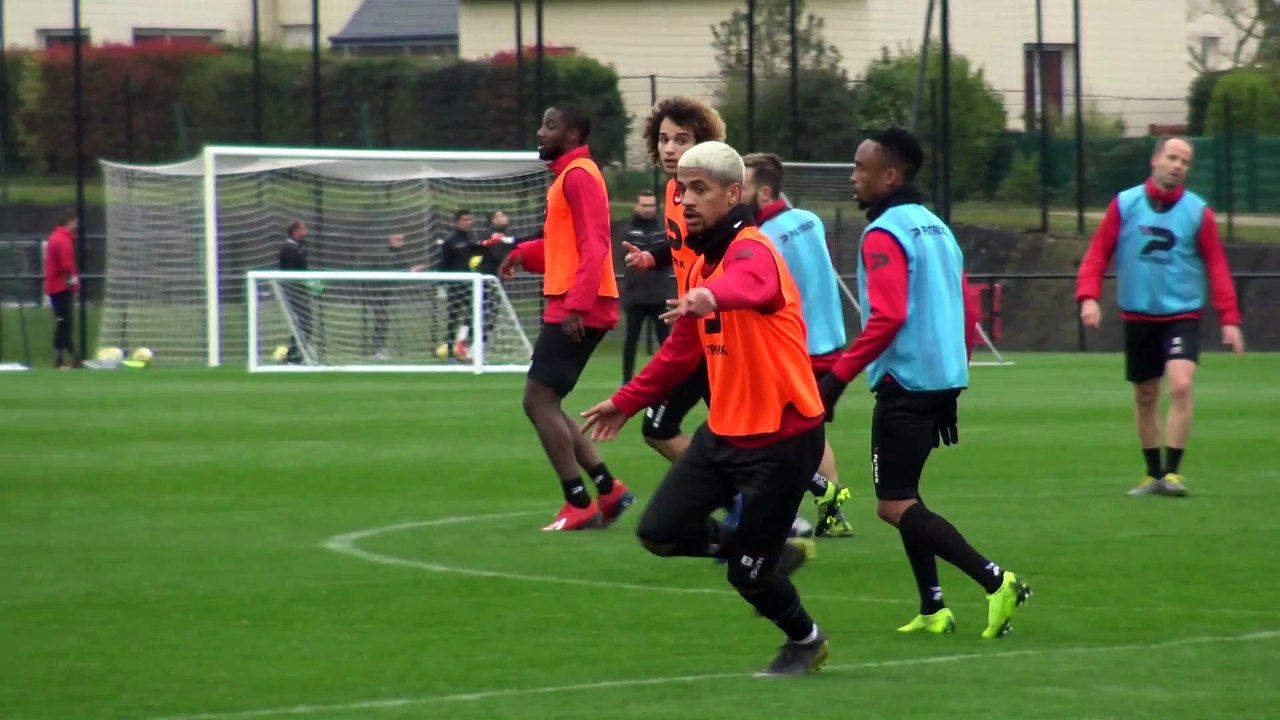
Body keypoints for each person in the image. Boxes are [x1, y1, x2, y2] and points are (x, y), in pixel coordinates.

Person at [581, 141, 829, 676]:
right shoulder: (700, 263)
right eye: (682, 190)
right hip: (726, 433)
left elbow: (753, 281)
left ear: (733, 193)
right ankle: (757, 547)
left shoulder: (753, 249)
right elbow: (680, 353)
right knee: (659, 533)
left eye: (700, 189)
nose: (685, 200)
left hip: (783, 439)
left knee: (749, 576)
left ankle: (806, 640)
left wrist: (713, 296)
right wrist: (625, 403)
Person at [818, 128, 1031, 639]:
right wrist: (952, 381)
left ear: (890, 176)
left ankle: (995, 580)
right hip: (939, 379)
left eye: (860, 168)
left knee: (892, 505)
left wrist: (835, 379)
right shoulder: (937, 228)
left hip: (905, 381)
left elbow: (886, 319)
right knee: (907, 495)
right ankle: (933, 606)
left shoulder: (883, 233)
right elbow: (969, 308)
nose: (853, 176)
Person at [1075, 136, 1244, 497]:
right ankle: (1152, 475)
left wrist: (1229, 317)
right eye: (1172, 157)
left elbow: (1216, 265)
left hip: (1182, 312)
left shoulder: (1199, 212)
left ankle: (1173, 473)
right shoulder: (1125, 204)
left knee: (1181, 383)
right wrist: (1089, 297)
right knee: (1146, 395)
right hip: (1138, 315)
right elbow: (1097, 253)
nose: (1178, 165)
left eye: (1185, 160)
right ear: (1155, 160)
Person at [498, 106, 634, 531]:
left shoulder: (578, 175)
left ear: (572, 134)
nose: (540, 132)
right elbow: (564, 246)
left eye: (550, 126)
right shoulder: (568, 175)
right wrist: (522, 253)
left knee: (537, 401)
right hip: (576, 301)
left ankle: (579, 503)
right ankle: (607, 489)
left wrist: (577, 304)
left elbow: (595, 244)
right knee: (546, 402)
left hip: (579, 306)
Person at [742, 152, 853, 538]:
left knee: (764, 436)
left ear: (766, 190)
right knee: (811, 433)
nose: (737, 191)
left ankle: (783, 514)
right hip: (831, 345)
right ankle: (833, 514)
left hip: (794, 348)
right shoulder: (811, 220)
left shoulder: (761, 239)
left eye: (745, 184)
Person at [620, 96, 726, 461]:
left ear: (703, 143)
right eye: (663, 139)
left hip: (718, 332)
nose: (669, 148)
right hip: (694, 328)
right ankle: (747, 506)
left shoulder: (716, 196)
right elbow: (680, 244)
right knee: (662, 429)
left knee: (753, 435)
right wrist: (652, 257)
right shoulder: (672, 190)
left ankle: (813, 501)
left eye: (681, 139)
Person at [620, 189, 672, 383]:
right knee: (631, 341)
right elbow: (621, 256)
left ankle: (670, 379)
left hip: (659, 294)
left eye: (651, 205)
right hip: (636, 296)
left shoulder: (663, 228)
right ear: (636, 206)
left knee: (666, 342)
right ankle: (626, 380)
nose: (649, 209)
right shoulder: (627, 229)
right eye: (644, 205)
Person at [429, 209, 483, 359]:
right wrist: (441, 285)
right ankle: (450, 348)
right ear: (457, 222)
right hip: (455, 286)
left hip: (471, 285)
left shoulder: (474, 239)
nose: (469, 222)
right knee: (453, 317)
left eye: (470, 219)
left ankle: (469, 348)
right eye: (465, 219)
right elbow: (443, 265)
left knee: (475, 315)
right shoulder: (450, 241)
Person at [44, 210, 81, 369]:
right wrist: (73, 281)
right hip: (61, 287)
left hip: (55, 286)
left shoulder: (54, 237)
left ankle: (62, 358)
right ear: (70, 222)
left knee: (63, 322)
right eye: (75, 222)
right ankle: (73, 355)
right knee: (64, 322)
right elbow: (66, 264)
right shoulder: (63, 240)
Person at [278, 221, 311, 365]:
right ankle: (291, 356)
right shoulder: (289, 249)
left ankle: (293, 356)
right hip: (294, 292)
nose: (307, 231)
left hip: (299, 291)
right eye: (304, 229)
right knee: (303, 323)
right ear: (296, 231)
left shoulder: (299, 247)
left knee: (304, 324)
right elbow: (293, 272)